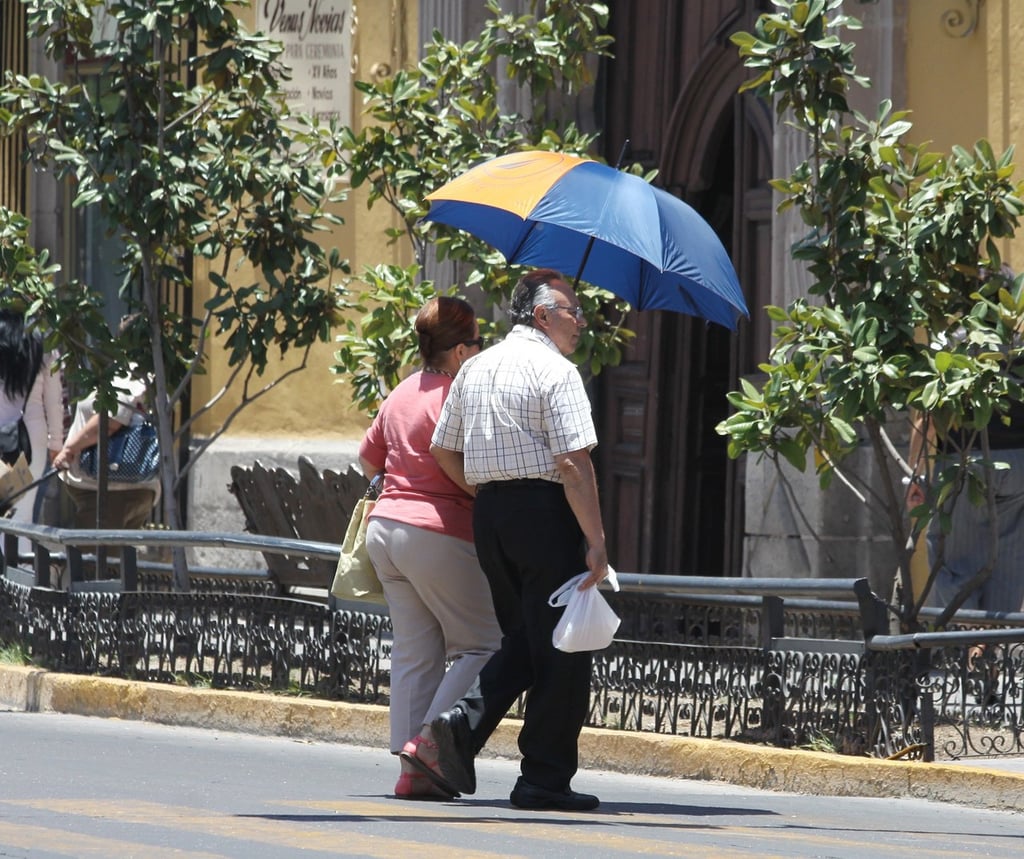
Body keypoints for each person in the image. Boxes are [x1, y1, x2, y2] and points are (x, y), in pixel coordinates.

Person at [416, 268, 610, 811]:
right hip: (545, 515)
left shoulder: (476, 366)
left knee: (527, 639)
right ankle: (540, 777)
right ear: (543, 316)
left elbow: (443, 450)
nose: (582, 321)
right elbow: (573, 461)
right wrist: (595, 541)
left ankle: (462, 731)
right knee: (564, 648)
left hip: (494, 517)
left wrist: (487, 495)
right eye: (574, 310)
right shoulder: (557, 370)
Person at [358, 295, 501, 801]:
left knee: (416, 652)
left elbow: (366, 456)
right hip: (437, 532)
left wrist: (399, 484)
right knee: (486, 645)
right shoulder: (454, 395)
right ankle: (427, 745)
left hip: (386, 530)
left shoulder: (401, 391)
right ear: (461, 351)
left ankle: (410, 769)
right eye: (480, 344)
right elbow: (476, 466)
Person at [53, 316, 159, 534]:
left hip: (108, 491)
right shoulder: (156, 376)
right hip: (134, 488)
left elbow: (110, 419)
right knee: (118, 564)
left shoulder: (129, 374)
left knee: (91, 564)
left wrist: (69, 449)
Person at [0, 310, 64, 553]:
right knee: (21, 518)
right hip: (29, 440)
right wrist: (57, 444)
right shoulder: (45, 346)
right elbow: (54, 401)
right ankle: (22, 585)